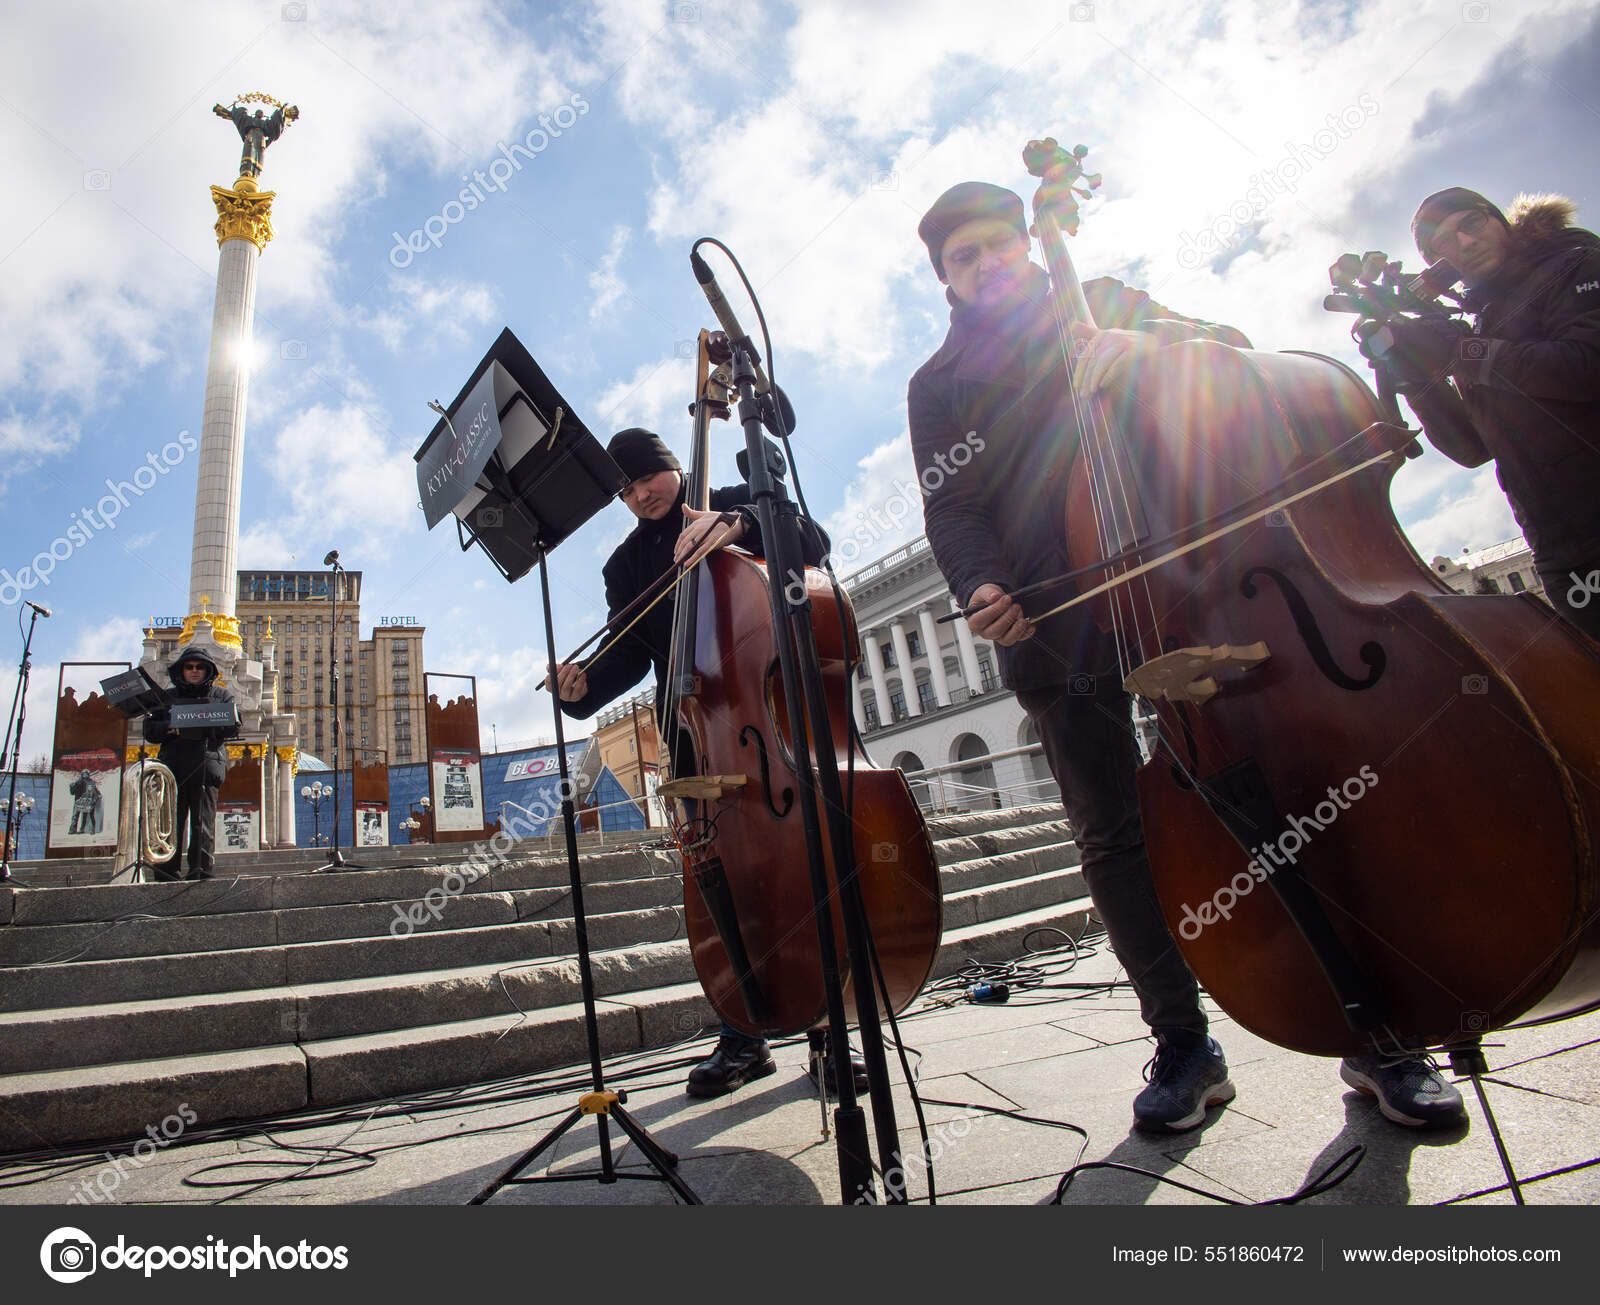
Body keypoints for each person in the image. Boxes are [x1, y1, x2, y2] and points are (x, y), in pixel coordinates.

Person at [908, 179, 1467, 1132]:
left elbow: (1234, 358)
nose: (988, 262)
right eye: (964, 256)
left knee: (1280, 795)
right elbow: (952, 508)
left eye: (1000, 242)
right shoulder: (938, 384)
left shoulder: (1107, 301)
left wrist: (1146, 351)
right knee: (1113, 838)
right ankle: (1182, 1042)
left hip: (1188, 582)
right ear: (945, 282)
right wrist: (980, 587)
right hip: (1054, 614)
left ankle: (1375, 1030)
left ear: (1030, 247)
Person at [549, 427, 856, 1099]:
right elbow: (628, 655)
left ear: (668, 466)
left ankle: (828, 1034)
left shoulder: (735, 499)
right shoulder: (625, 567)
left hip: (765, 715)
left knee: (800, 868)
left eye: (644, 481)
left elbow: (813, 542)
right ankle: (742, 1036)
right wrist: (583, 688)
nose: (637, 497)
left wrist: (740, 523)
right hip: (690, 729)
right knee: (718, 881)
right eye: (624, 492)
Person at [1366, 188, 1600, 640]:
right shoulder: (1483, 320)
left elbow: (1586, 367)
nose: (1464, 245)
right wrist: (1414, 372)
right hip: (1562, 551)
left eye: (1470, 224)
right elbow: (1472, 448)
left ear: (1500, 219)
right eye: (1443, 246)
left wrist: (1461, 350)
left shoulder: (1575, 262)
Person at [143, 646, 239, 880]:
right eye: (189, 667)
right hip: (173, 768)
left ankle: (201, 870)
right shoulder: (167, 698)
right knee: (170, 824)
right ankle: (166, 873)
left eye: (200, 667)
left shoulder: (221, 696)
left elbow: (234, 725)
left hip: (205, 768)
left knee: (203, 823)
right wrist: (172, 727)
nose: (194, 671)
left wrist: (203, 724)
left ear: (209, 671)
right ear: (181, 670)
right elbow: (150, 730)